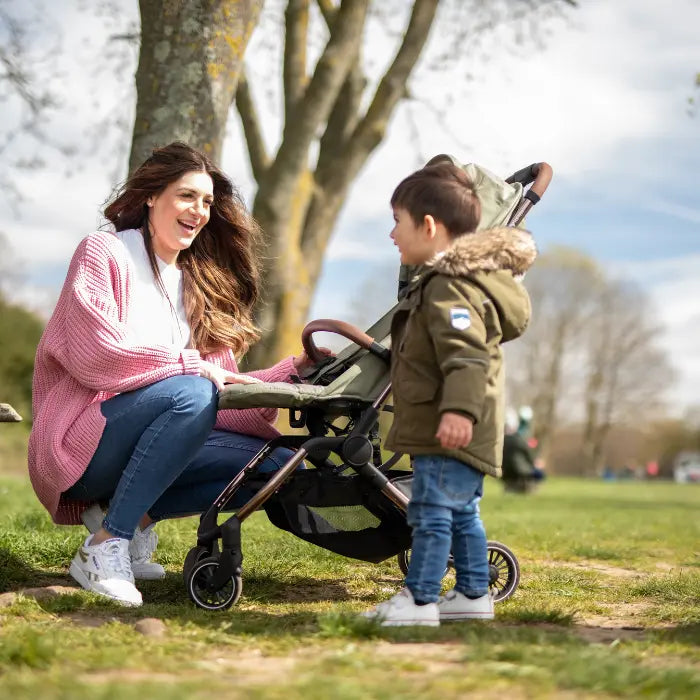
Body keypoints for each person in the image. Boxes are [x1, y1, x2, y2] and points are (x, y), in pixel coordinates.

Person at [28, 142, 320, 607]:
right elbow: (95, 353)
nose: (199, 211)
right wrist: (188, 365)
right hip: (79, 443)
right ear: (151, 196)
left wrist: (292, 375)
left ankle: (129, 518)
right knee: (190, 390)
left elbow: (218, 394)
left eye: (206, 202)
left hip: (156, 427)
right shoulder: (104, 252)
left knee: (277, 464)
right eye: (187, 196)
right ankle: (107, 546)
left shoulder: (196, 284)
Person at [362, 163, 536, 626]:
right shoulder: (449, 284)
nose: (393, 234)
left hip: (451, 426)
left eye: (398, 221)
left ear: (430, 226)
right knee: (459, 513)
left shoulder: (449, 289)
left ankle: (418, 601)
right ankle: (473, 594)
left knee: (431, 514)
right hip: (454, 425)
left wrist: (459, 411)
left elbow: (468, 357)